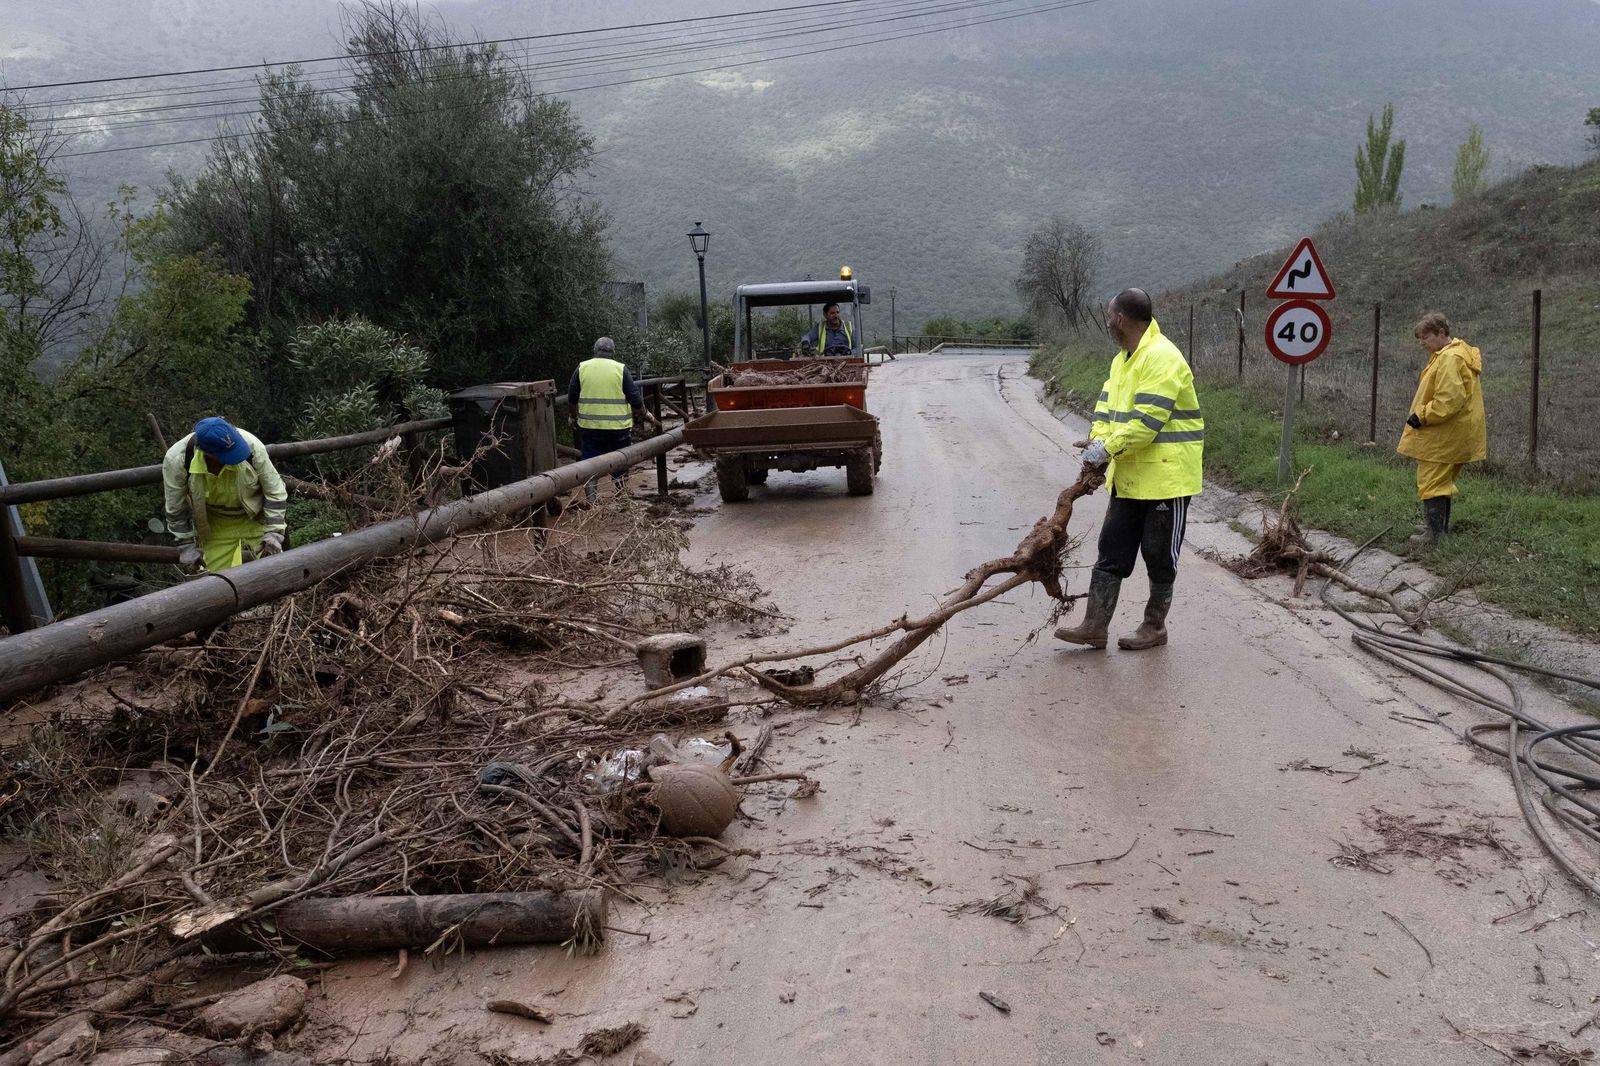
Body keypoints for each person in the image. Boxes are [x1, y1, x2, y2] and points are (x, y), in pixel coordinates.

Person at [1056, 288, 1204, 651]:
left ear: (1120, 319)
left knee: (1159, 556)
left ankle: (1154, 627)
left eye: (1109, 315)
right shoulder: (1122, 359)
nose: (1107, 321)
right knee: (1111, 551)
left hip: (1166, 481)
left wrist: (1105, 448)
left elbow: (1146, 423)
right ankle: (1094, 626)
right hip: (1128, 477)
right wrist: (1097, 443)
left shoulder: (1162, 358)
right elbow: (1106, 412)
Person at [1397, 311, 1486, 544]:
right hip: (1455, 432)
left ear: (1441, 333)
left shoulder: (1449, 358)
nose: (1422, 342)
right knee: (1441, 481)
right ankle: (1437, 526)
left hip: (1444, 434)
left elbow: (1448, 399)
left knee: (1431, 480)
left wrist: (1422, 415)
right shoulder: (1452, 354)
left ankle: (1434, 534)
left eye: (1425, 337)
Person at [163, 416, 288, 573]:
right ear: (207, 454)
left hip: (255, 517)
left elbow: (275, 492)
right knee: (215, 582)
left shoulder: (252, 446)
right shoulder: (177, 459)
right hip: (214, 523)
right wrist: (186, 545)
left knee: (275, 571)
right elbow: (176, 508)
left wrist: (274, 533)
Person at [568, 336, 644, 500]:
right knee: (620, 461)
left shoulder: (582, 368)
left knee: (589, 462)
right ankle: (622, 497)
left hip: (590, 426)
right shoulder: (620, 369)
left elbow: (572, 397)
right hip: (618, 427)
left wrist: (573, 417)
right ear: (613, 352)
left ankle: (591, 501)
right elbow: (635, 398)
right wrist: (644, 414)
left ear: (595, 350)